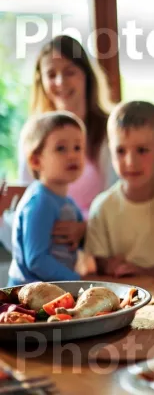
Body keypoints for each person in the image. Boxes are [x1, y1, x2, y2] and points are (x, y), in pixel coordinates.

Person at [17, 35, 116, 249]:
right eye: (51, 74)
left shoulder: (110, 130)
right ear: (40, 80)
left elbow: (119, 198)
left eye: (70, 72)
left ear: (86, 76)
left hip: (99, 247)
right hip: (48, 247)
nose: (60, 82)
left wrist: (85, 228)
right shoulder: (33, 134)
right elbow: (25, 197)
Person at [84, 101, 154, 280]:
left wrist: (145, 273)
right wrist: (109, 264)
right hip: (125, 295)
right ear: (110, 151)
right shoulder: (102, 207)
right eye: (120, 151)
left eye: (142, 150)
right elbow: (98, 258)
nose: (131, 162)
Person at [8, 112, 86, 286]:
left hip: (54, 291)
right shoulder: (39, 201)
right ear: (36, 160)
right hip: (27, 296)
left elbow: (80, 243)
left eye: (78, 147)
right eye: (61, 148)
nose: (72, 155)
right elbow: (36, 260)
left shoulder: (68, 202)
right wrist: (75, 281)